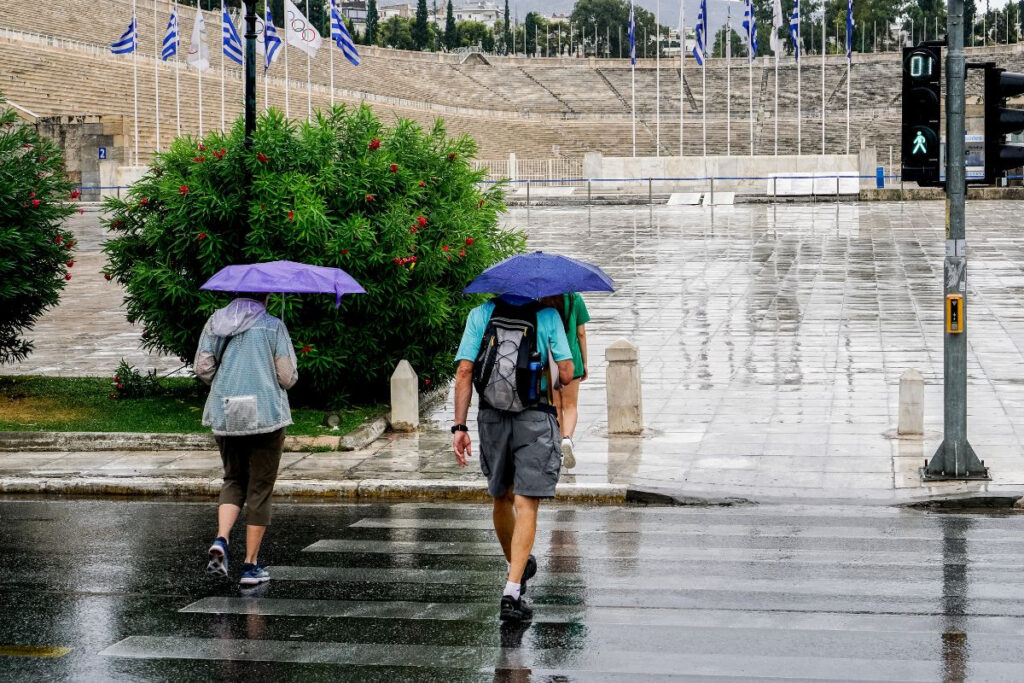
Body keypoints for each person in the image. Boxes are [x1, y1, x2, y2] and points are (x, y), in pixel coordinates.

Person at [452, 293, 574, 622]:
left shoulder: (481, 313)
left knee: (501, 496)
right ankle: (512, 590)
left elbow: (465, 371)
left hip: (491, 417)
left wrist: (459, 427)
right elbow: (566, 372)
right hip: (536, 417)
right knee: (527, 502)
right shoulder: (548, 316)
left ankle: (515, 565)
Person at [194, 293, 298, 586]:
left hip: (226, 412)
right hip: (266, 414)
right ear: (264, 297)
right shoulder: (273, 326)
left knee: (234, 479)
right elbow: (286, 376)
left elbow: (203, 368)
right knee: (260, 487)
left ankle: (222, 538)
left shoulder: (215, 322)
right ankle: (250, 566)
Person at [542, 293, 590, 469]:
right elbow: (581, 333)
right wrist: (585, 362)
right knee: (571, 406)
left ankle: (560, 446)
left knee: (556, 405)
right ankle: (567, 439)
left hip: (551, 359)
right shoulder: (575, 299)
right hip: (572, 360)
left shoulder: (542, 300)